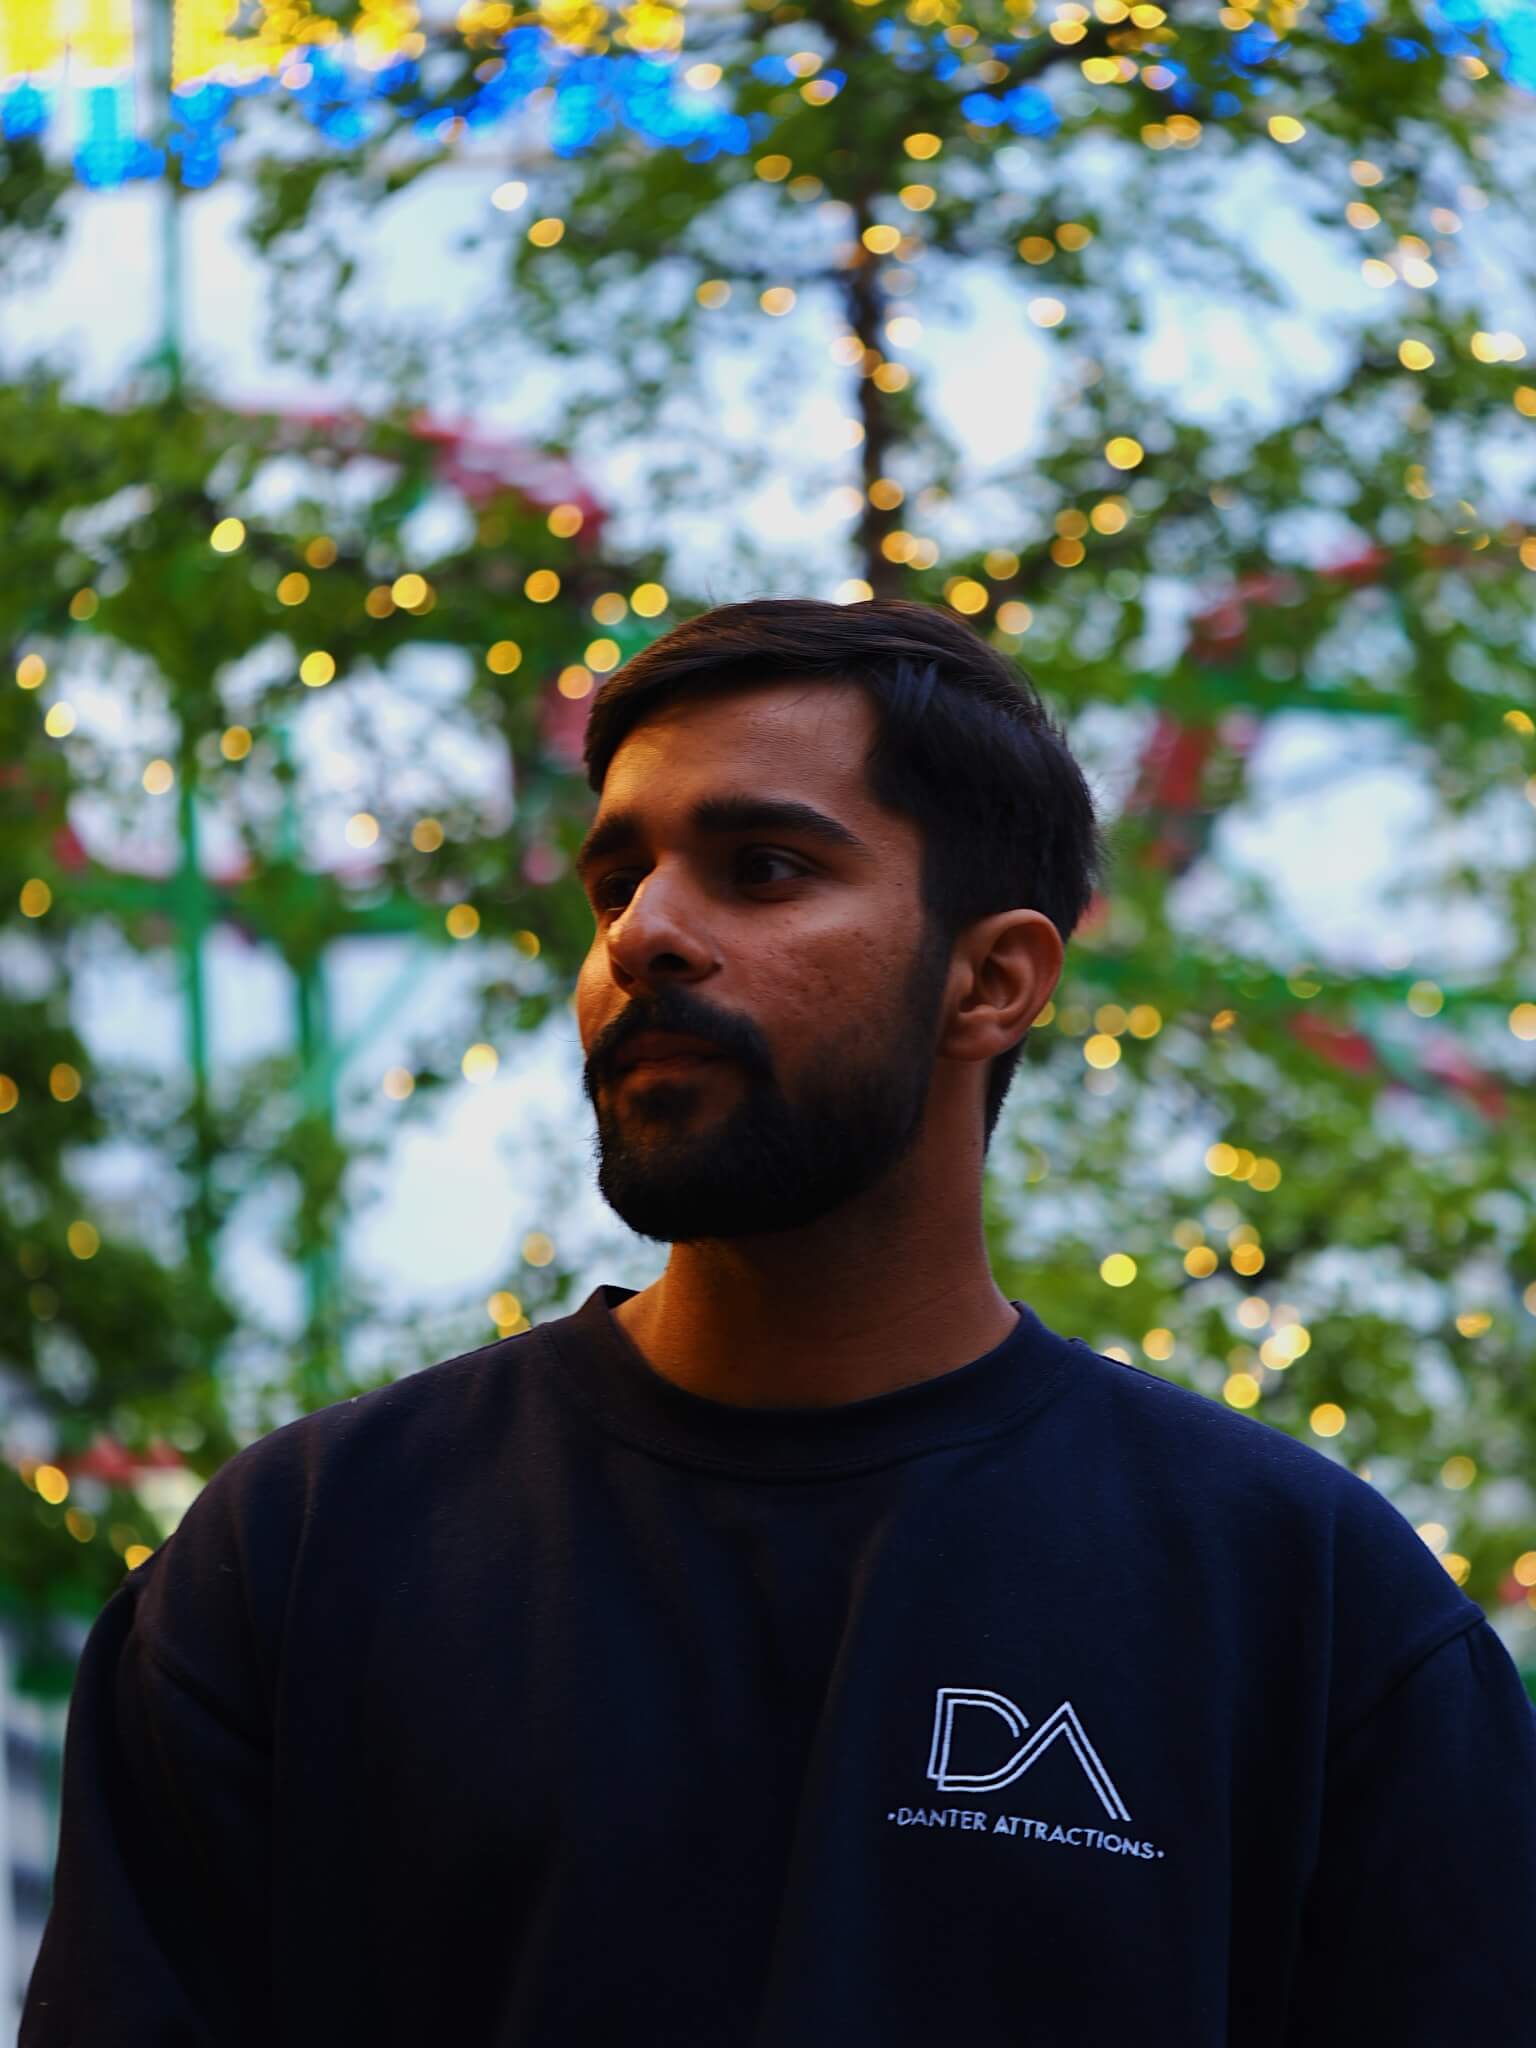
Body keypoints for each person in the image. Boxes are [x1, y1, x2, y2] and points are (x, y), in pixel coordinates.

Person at [22, 596, 1536, 2045]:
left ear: (993, 980)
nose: (645, 937)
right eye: (620, 882)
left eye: (760, 869)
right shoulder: (300, 1554)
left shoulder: (1308, 1607)